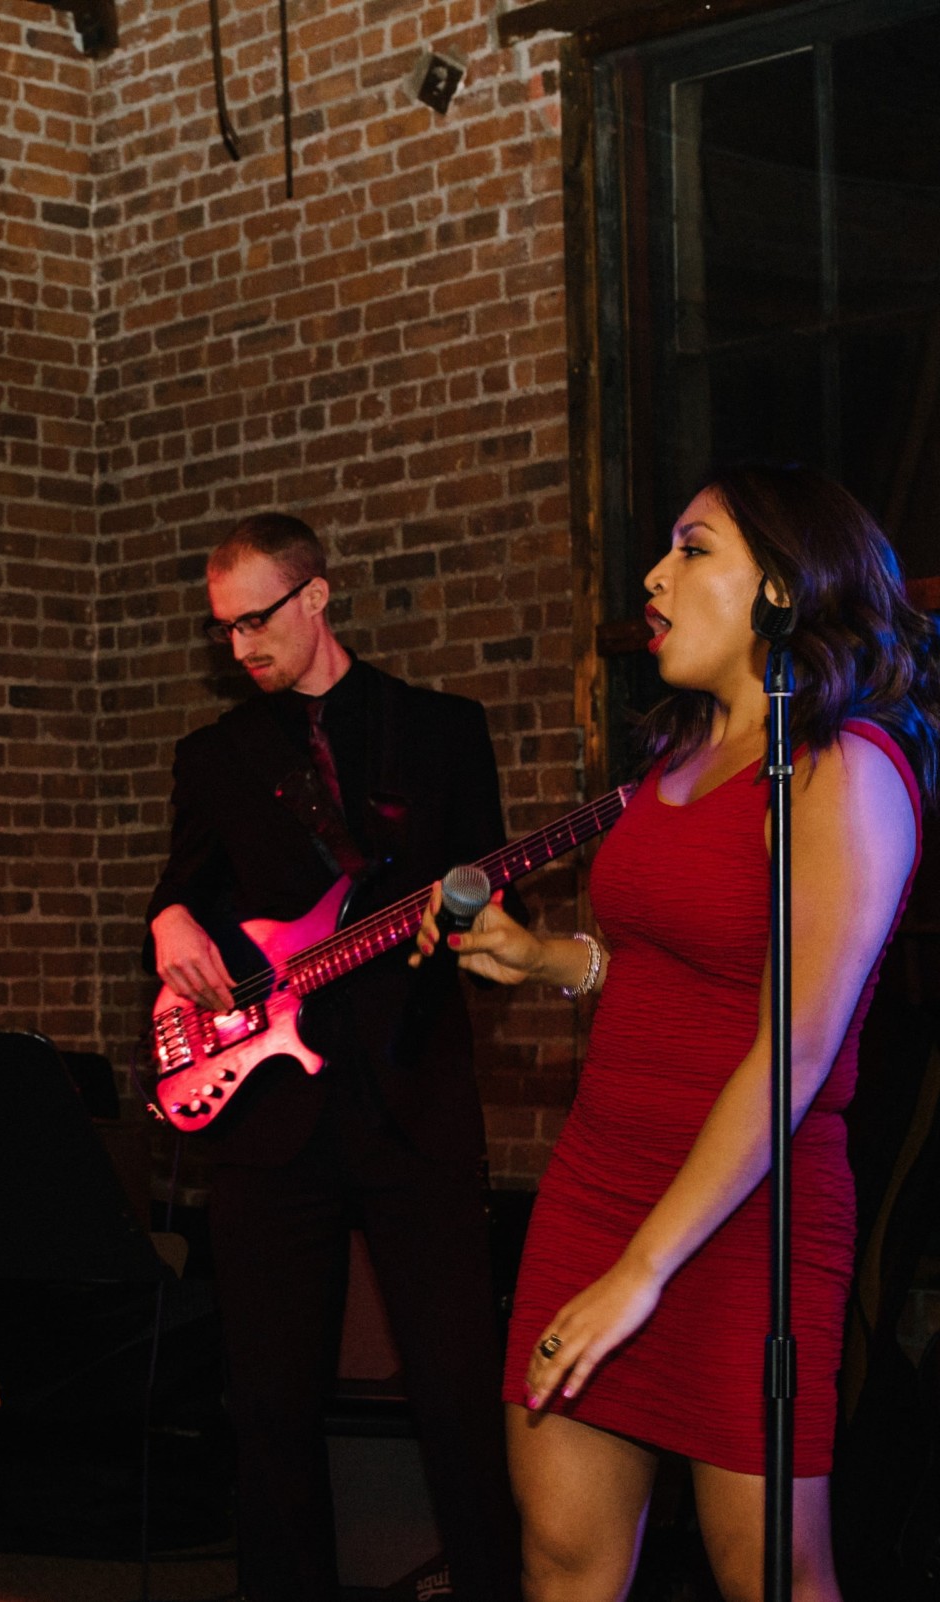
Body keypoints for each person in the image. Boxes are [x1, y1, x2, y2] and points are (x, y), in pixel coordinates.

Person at [414, 465, 938, 1602]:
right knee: (558, 1552)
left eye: (693, 549)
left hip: (750, 1217)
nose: (654, 573)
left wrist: (646, 1272)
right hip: (600, 1183)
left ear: (785, 591)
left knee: (772, 1574)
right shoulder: (678, 757)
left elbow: (795, 1049)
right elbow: (673, 971)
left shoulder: (847, 774)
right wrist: (550, 961)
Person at [147, 513, 521, 1602]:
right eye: (222, 631)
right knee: (268, 1405)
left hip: (416, 1099)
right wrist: (168, 926)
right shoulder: (215, 756)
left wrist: (467, 921)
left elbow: (497, 892)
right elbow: (185, 892)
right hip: (271, 1117)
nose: (240, 648)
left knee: (456, 1396)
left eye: (255, 620)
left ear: (317, 597)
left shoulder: (444, 731)